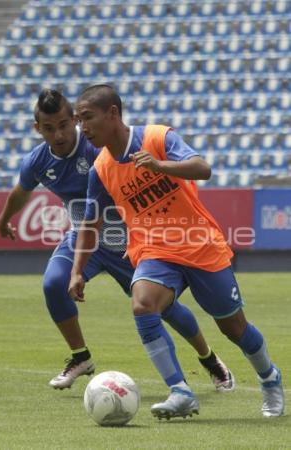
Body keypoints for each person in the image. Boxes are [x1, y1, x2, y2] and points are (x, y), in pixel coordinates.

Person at [0, 88, 235, 392]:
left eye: (64, 125)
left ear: (75, 121)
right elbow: (21, 190)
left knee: (163, 307)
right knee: (53, 283)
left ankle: (209, 358)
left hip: (127, 241)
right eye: (48, 128)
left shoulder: (99, 147)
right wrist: (4, 219)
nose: (58, 134)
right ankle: (80, 357)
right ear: (37, 128)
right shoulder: (38, 161)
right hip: (85, 238)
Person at [70, 84, 284, 419]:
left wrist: (159, 166)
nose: (83, 128)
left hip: (199, 244)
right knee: (142, 304)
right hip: (154, 249)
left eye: (87, 118)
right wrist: (77, 270)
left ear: (112, 114)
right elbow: (90, 221)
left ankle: (269, 377)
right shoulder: (101, 168)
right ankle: (181, 391)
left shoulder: (158, 137)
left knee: (234, 328)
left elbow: (203, 168)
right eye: (79, 120)